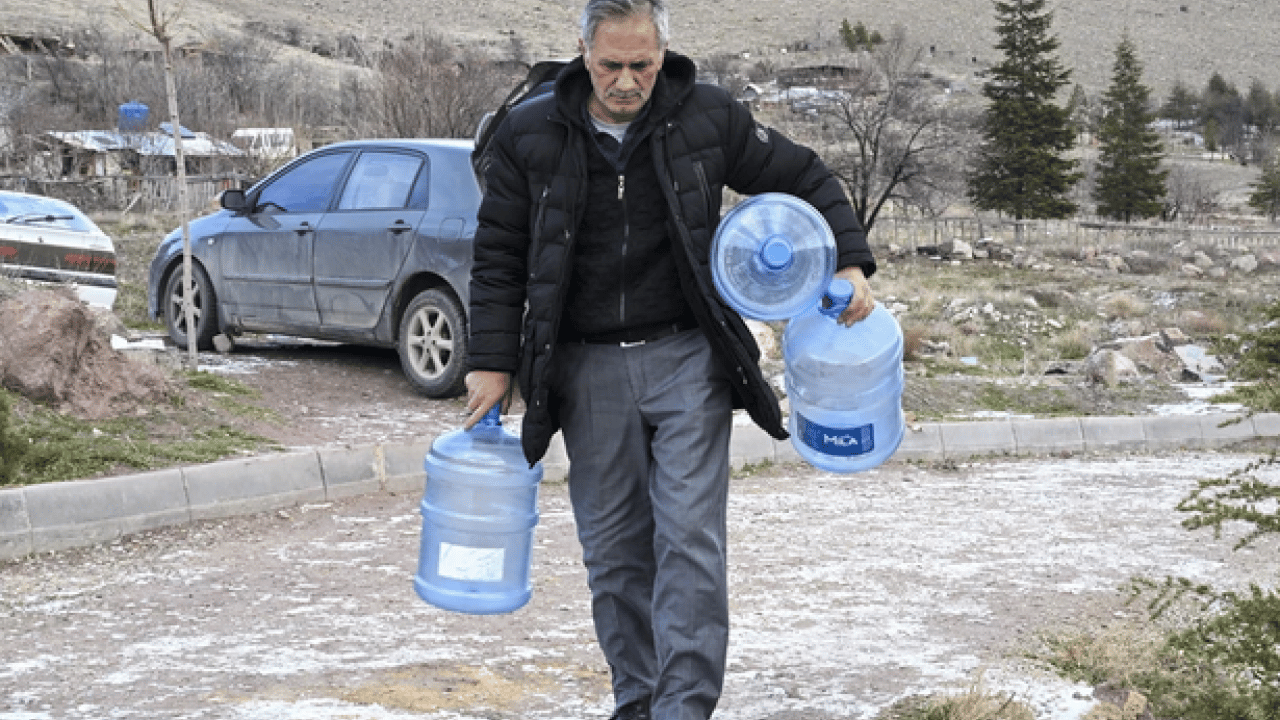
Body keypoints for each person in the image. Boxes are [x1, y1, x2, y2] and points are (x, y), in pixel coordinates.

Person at [463, 1, 877, 718]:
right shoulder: (530, 133)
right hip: (585, 369)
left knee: (689, 541)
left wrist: (850, 259)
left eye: (642, 66)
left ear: (664, 53)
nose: (626, 82)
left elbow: (806, 176)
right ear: (582, 52)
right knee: (616, 553)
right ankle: (640, 698)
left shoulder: (708, 117)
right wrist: (491, 362)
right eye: (610, 66)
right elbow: (497, 257)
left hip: (689, 358)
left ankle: (684, 706)